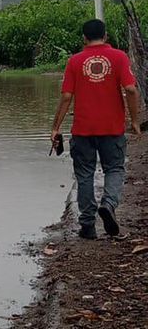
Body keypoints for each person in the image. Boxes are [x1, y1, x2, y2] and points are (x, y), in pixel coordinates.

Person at [51, 19, 141, 239]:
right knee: (115, 169)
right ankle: (108, 205)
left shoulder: (74, 61)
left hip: (83, 130)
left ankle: (88, 226)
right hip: (112, 129)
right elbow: (130, 89)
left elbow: (66, 97)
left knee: (85, 175)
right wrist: (135, 120)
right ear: (106, 36)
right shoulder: (119, 57)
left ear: (84, 38)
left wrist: (55, 128)